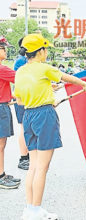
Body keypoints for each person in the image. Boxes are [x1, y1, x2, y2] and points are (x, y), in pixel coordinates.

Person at [14, 34, 86, 219]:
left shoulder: (20, 72)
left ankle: (30, 209)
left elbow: (20, 100)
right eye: (46, 49)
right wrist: (84, 84)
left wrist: (45, 93)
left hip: (29, 116)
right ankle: (36, 210)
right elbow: (68, 77)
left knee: (33, 166)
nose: (47, 52)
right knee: (42, 167)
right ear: (40, 52)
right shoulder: (44, 68)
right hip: (44, 116)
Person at [0, 36, 20, 190]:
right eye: (3, 47)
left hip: (3, 104)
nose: (5, 50)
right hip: (1, 109)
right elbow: (23, 80)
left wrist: (12, 96)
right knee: (0, 145)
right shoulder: (2, 69)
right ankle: (1, 176)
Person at [14, 37, 29, 170]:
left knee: (28, 126)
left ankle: (28, 155)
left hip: (28, 98)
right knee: (24, 127)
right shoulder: (21, 61)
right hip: (22, 98)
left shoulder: (27, 60)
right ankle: (23, 158)